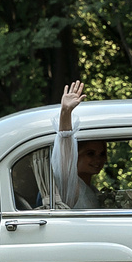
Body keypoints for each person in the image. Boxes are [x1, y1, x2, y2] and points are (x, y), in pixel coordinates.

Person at [44, 80, 107, 209]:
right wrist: (65, 112)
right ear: (76, 155)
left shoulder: (92, 189)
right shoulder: (70, 184)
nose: (98, 159)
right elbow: (65, 148)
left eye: (102, 154)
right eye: (90, 153)